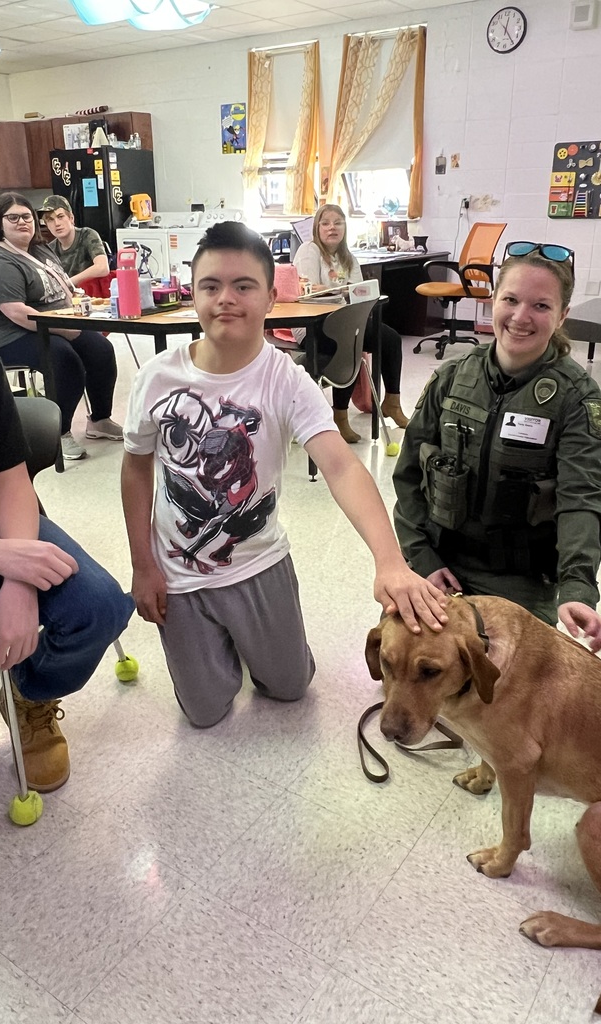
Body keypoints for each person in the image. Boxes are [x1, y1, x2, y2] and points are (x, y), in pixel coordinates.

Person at [121, 221, 448, 729]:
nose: (225, 299)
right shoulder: (157, 377)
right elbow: (136, 469)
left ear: (272, 297)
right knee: (206, 713)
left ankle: (262, 643)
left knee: (291, 688)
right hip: (180, 575)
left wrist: (390, 561)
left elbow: (340, 465)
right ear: (191, 294)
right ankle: (216, 645)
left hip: (259, 562)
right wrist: (144, 565)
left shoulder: (285, 377)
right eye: (211, 286)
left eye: (243, 286)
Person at [0, 226, 134, 941]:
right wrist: (6, 563)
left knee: (99, 605)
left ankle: (33, 700)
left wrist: (16, 576)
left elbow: (10, 477)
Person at [393, 244, 601, 652]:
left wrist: (577, 588)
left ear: (562, 315)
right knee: (410, 666)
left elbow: (582, 500)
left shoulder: (575, 399)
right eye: (510, 299)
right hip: (441, 562)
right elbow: (408, 474)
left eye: (541, 306)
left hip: (521, 578)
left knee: (506, 686)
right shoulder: (453, 377)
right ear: (493, 300)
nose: (520, 317)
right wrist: (422, 558)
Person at [0, 192, 122, 461]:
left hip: (54, 322)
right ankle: (57, 434)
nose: (21, 222)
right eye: (12, 217)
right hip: (6, 334)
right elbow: (16, 313)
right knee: (64, 360)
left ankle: (99, 420)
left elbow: (60, 287)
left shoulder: (40, 248)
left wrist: (77, 307)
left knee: (101, 350)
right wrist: (63, 329)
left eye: (26, 216)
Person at [292, 204, 410, 444]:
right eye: (325, 223)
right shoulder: (309, 250)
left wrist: (335, 291)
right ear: (317, 228)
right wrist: (340, 292)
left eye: (338, 222)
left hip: (345, 321)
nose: (332, 228)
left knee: (389, 338)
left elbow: (361, 294)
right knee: (351, 342)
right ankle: (340, 417)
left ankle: (392, 402)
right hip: (313, 325)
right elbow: (307, 292)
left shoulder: (348, 257)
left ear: (345, 227)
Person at [40, 195, 110, 289]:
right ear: (47, 225)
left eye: (60, 217)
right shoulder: (50, 250)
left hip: (93, 297)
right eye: (50, 220)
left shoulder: (87, 235)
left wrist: (68, 283)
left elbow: (103, 268)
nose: (57, 223)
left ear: (71, 218)